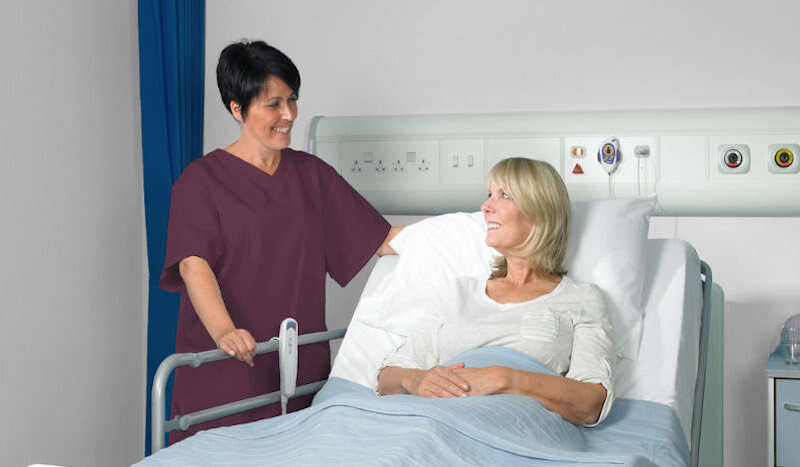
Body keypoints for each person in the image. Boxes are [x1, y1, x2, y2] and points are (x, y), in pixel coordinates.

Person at [160, 40, 402, 443]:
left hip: (299, 373)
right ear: (238, 108)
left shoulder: (313, 177)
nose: (288, 115)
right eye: (273, 104)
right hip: (226, 370)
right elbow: (192, 263)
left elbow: (381, 238)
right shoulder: (200, 182)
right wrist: (225, 332)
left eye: (292, 100)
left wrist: (470, 235)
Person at [377, 158, 615, 426]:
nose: (486, 207)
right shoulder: (458, 291)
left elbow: (591, 403)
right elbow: (388, 379)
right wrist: (414, 379)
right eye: (489, 195)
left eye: (504, 195)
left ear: (540, 211)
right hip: (434, 420)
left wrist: (504, 379)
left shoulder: (581, 299)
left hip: (514, 427)